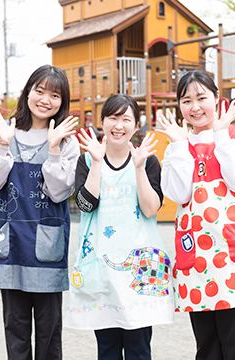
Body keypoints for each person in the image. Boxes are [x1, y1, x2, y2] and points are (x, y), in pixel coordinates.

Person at [157, 70, 235, 360]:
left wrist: (222, 135)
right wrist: (177, 145)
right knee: (207, 348)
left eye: (202, 98)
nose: (195, 107)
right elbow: (178, 193)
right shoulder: (178, 144)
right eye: (186, 101)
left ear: (217, 99)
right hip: (197, 261)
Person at [0, 64, 80, 360]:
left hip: (47, 246)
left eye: (55, 94)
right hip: (10, 246)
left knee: (49, 332)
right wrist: (4, 144)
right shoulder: (1, 132)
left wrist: (54, 148)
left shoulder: (68, 141)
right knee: (15, 328)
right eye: (40, 90)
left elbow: (59, 192)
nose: (45, 99)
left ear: (63, 101)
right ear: (28, 92)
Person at [64, 94, 174, 360]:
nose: (118, 125)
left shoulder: (148, 161)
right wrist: (98, 162)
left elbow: (150, 209)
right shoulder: (87, 161)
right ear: (102, 122)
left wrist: (138, 168)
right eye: (113, 117)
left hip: (140, 273)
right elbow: (86, 205)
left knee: (138, 349)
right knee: (108, 350)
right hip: (101, 270)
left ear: (136, 126)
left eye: (126, 119)